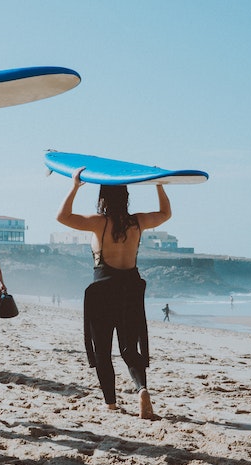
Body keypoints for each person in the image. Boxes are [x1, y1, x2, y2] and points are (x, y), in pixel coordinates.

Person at [56, 168, 171, 420]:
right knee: (130, 346)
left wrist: (75, 186)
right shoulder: (137, 221)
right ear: (126, 197)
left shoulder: (99, 223)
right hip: (130, 288)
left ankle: (110, 402)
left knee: (103, 349)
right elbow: (165, 213)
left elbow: (62, 217)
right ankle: (142, 389)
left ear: (102, 198)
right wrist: (159, 185)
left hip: (103, 290)